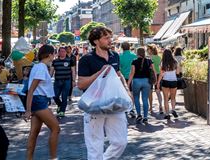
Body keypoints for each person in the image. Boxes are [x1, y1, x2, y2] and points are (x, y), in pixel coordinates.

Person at [78, 26, 128, 159]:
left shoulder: (115, 56)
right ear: (95, 41)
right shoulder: (86, 59)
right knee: (95, 145)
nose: (110, 40)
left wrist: (126, 89)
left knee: (120, 142)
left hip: (115, 103)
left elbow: (118, 74)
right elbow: (81, 84)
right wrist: (99, 73)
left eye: (110, 37)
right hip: (93, 105)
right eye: (106, 38)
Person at [24, 44, 60, 160]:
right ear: (50, 55)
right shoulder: (41, 67)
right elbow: (31, 89)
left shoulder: (39, 66)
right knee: (56, 128)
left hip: (38, 100)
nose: (54, 56)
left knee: (34, 133)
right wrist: (28, 110)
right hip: (39, 100)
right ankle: (53, 158)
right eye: (54, 54)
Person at [128, 47, 155, 124]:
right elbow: (154, 71)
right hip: (147, 81)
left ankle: (139, 115)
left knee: (136, 98)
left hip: (136, 81)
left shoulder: (134, 61)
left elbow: (132, 73)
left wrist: (128, 83)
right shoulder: (149, 61)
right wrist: (155, 81)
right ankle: (145, 117)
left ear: (137, 53)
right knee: (145, 99)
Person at [156, 48, 180, 120]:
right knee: (173, 97)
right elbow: (178, 72)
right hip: (174, 81)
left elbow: (161, 74)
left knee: (166, 98)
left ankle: (167, 114)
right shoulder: (175, 62)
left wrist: (158, 82)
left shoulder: (162, 63)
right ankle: (173, 110)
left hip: (165, 81)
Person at [51, 46, 75, 117]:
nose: (62, 53)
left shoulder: (70, 60)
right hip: (57, 81)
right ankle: (60, 105)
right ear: (58, 53)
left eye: (64, 51)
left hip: (67, 81)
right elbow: (51, 72)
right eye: (61, 51)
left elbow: (73, 71)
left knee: (64, 97)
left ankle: (62, 111)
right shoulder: (55, 61)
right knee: (55, 96)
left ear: (66, 52)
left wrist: (73, 80)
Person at [147, 45, 164, 114]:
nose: (147, 51)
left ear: (150, 50)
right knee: (158, 90)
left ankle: (151, 107)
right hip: (158, 74)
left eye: (148, 49)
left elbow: (149, 68)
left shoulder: (150, 58)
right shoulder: (159, 57)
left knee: (150, 91)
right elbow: (161, 67)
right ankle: (160, 105)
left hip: (151, 75)